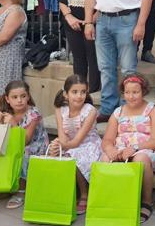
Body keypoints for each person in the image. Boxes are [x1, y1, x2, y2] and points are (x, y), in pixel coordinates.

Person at [101, 74, 155, 223]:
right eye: (127, 92)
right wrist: (110, 149)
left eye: (135, 92)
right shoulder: (118, 112)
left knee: (140, 159)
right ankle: (111, 201)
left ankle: (146, 201)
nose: (131, 96)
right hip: (120, 150)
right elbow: (107, 139)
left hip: (145, 150)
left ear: (143, 91)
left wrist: (135, 148)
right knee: (105, 158)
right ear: (123, 93)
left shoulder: (152, 111)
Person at [0, 80, 49, 209]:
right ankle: (0, 188)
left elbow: (26, 140)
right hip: (14, 144)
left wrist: (14, 124)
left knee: (23, 153)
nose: (19, 100)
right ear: (7, 99)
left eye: (23, 96)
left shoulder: (33, 114)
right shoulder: (6, 111)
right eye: (14, 97)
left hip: (34, 146)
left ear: (28, 96)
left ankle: (21, 191)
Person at [50, 74, 101, 215]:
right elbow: (61, 133)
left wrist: (63, 146)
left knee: (73, 155)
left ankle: (84, 194)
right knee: (53, 153)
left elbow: (78, 141)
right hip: (68, 142)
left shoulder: (90, 111)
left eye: (83, 92)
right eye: (74, 92)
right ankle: (60, 194)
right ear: (66, 94)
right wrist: (58, 145)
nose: (79, 96)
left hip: (88, 144)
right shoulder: (60, 109)